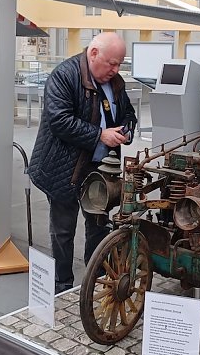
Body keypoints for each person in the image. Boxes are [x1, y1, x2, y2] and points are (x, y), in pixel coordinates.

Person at [29, 32, 137, 293]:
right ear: (93, 53)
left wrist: (127, 129)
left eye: (119, 63)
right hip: (62, 168)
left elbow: (129, 113)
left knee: (98, 224)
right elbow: (59, 120)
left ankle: (95, 277)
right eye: (111, 63)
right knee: (63, 230)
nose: (115, 69)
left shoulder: (115, 82)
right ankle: (62, 285)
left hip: (99, 169)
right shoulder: (64, 76)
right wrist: (100, 134)